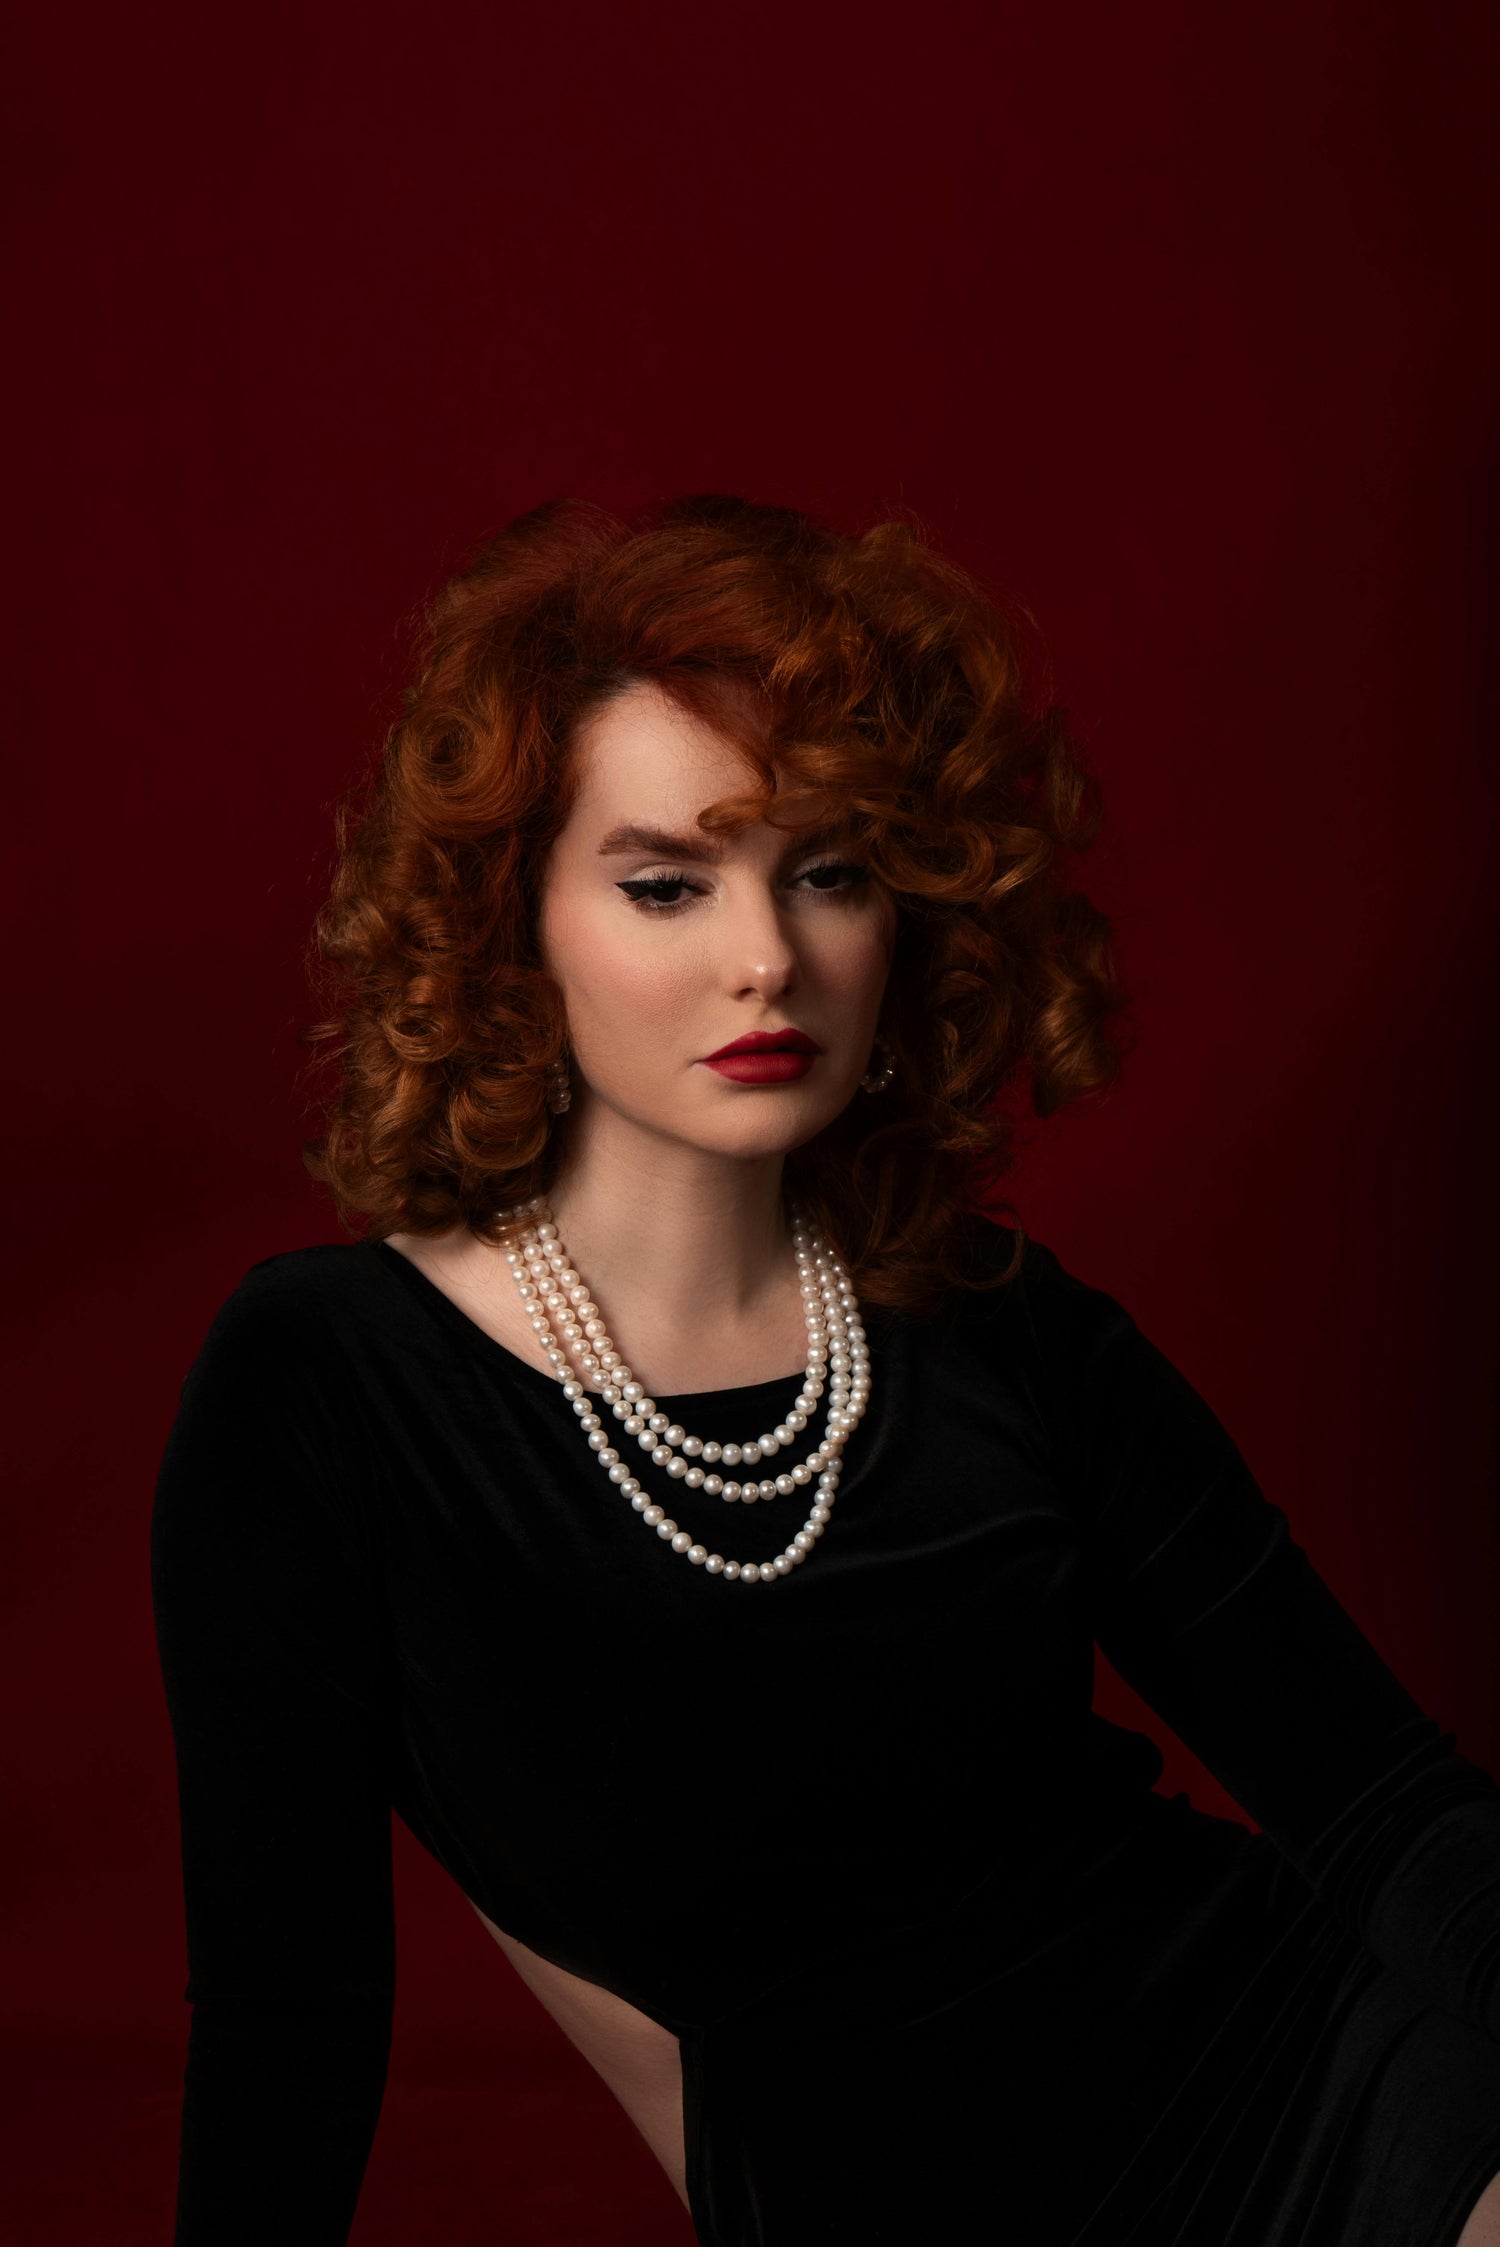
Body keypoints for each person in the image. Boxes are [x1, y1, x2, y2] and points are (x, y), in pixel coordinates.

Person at [150, 492, 1500, 2246]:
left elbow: (1387, 1810)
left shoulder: (1004, 1327)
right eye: (665, 884)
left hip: (1341, 2095)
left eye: (831, 871)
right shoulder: (329, 1385)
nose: (767, 957)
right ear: (515, 923)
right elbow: (292, 2022)